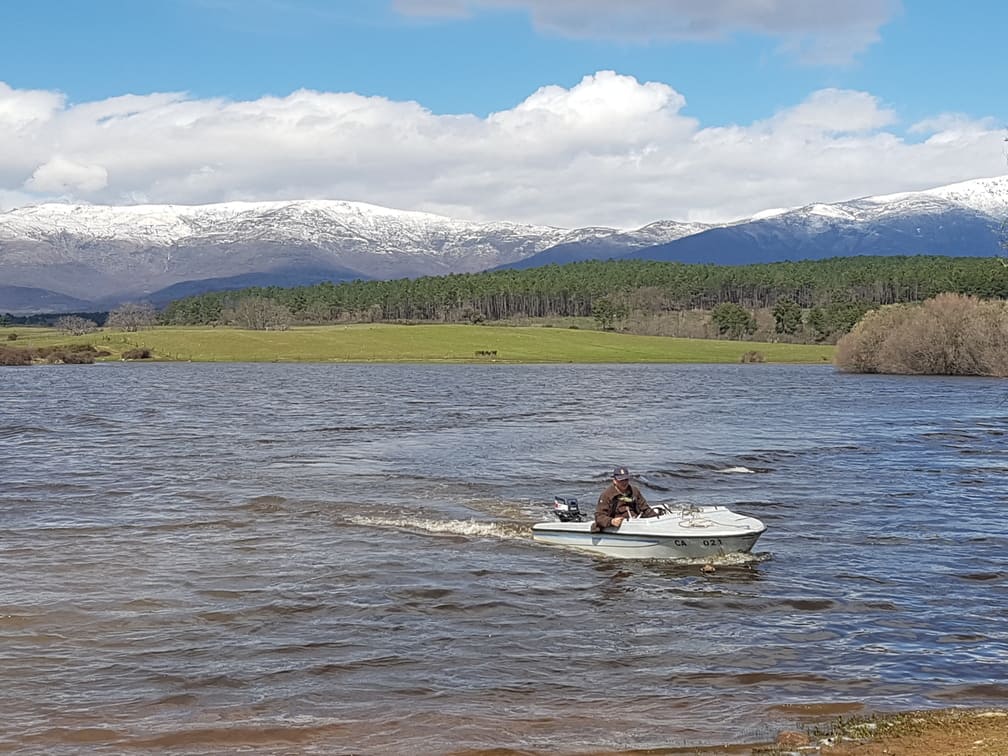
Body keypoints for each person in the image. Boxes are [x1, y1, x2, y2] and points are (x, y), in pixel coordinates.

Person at [592, 466, 658, 532]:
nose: (624, 483)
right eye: (621, 480)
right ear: (614, 481)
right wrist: (611, 521)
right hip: (618, 527)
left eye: (626, 479)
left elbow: (645, 509)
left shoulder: (634, 491)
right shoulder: (607, 494)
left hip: (635, 523)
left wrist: (657, 518)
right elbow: (599, 517)